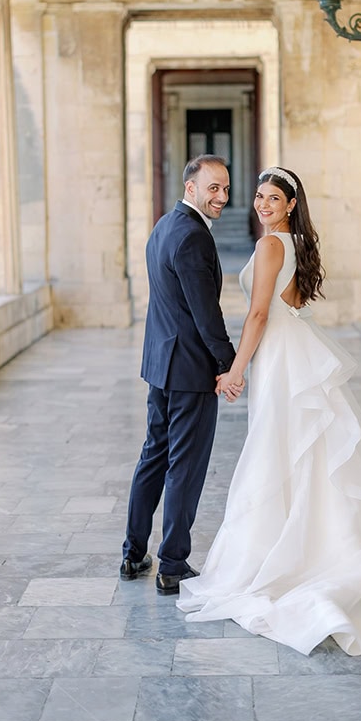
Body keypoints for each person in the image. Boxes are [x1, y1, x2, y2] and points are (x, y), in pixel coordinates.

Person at [177, 166, 361, 665]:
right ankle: (314, 538)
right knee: (301, 448)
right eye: (257, 197)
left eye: (273, 198)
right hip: (290, 349)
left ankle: (296, 553)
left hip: (279, 355)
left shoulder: (271, 246)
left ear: (291, 204)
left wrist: (234, 370)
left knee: (282, 446)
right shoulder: (292, 242)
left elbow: (258, 314)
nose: (261, 204)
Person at [120, 155, 243, 596]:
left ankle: (134, 554)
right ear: (191, 187)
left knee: (153, 456)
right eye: (213, 188)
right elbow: (205, 314)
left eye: (226, 189)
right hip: (190, 371)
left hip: (160, 364)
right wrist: (229, 366)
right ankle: (172, 564)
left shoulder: (163, 226)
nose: (222, 197)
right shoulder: (192, 236)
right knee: (184, 468)